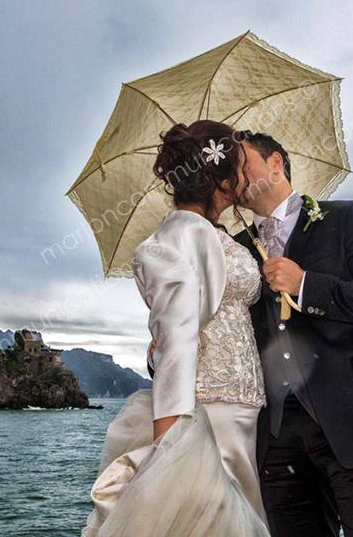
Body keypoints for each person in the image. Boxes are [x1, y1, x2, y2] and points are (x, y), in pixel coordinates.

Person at [81, 119, 271, 537]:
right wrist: (170, 444)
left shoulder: (207, 232)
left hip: (235, 407)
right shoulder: (183, 236)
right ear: (221, 179)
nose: (244, 177)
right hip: (209, 413)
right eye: (239, 168)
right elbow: (177, 338)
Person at [233, 130, 353, 537]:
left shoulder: (346, 218)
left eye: (242, 161)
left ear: (276, 163)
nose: (234, 173)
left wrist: (305, 285)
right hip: (276, 438)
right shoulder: (232, 251)